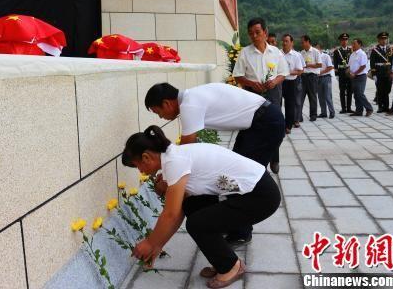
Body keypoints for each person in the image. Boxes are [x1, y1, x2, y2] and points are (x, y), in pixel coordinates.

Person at [124, 126, 281, 289]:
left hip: (260, 197)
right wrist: (157, 245)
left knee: (197, 224)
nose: (141, 171)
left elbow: (170, 214)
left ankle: (232, 267)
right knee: (192, 206)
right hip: (252, 191)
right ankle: (223, 259)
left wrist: (150, 243)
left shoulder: (174, 162)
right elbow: (178, 212)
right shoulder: (174, 155)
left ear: (146, 157)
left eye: (137, 166)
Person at [144, 82, 285, 244]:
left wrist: (169, 178)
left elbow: (186, 149)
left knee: (241, 180)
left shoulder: (189, 104)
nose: (161, 117)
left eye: (158, 112)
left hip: (265, 124)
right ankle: (231, 225)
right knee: (235, 178)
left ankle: (240, 232)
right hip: (258, 123)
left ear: (166, 103)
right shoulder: (191, 97)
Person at [232, 17, 289, 174]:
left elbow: (283, 72)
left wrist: (275, 81)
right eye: (251, 34)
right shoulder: (245, 52)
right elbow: (237, 75)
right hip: (253, 94)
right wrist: (251, 83)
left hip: (273, 92)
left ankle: (274, 158)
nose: (255, 36)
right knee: (255, 126)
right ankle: (258, 162)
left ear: (265, 32)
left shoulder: (276, 52)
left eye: (258, 32)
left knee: (275, 125)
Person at [281, 34, 304, 133]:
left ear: (291, 43)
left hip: (291, 82)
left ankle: (288, 126)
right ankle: (279, 124)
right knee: (277, 104)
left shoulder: (296, 55)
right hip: (279, 82)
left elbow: (300, 71)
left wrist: (288, 72)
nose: (284, 43)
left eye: (287, 41)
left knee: (290, 105)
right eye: (283, 41)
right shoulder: (278, 53)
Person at [348, 38, 374, 116]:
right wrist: (348, 72)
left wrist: (355, 73)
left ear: (359, 44)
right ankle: (359, 111)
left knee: (359, 93)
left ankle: (369, 108)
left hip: (360, 76)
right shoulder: (352, 54)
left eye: (354, 44)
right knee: (356, 94)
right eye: (352, 44)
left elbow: (363, 66)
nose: (352, 45)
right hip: (353, 76)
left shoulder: (362, 54)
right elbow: (349, 65)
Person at [299, 35, 322, 121]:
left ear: (308, 41)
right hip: (303, 76)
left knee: (312, 96)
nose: (302, 44)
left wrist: (309, 65)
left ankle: (313, 115)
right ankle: (299, 116)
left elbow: (320, 64)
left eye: (303, 42)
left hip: (312, 76)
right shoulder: (301, 53)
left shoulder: (315, 51)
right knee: (301, 96)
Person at [370, 32, 393, 113]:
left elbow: (392, 61)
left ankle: (386, 106)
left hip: (387, 72)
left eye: (385, 39)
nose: (384, 41)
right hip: (379, 72)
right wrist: (374, 74)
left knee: (387, 90)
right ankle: (381, 107)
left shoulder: (390, 49)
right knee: (380, 90)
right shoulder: (375, 50)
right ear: (378, 40)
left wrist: (392, 72)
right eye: (382, 39)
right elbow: (372, 63)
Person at [333, 33, 353, 113]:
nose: (344, 42)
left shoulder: (351, 50)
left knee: (350, 90)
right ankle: (343, 108)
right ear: (340, 41)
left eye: (345, 40)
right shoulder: (337, 51)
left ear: (347, 41)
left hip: (349, 72)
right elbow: (335, 64)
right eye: (342, 40)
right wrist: (336, 75)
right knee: (342, 91)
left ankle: (349, 107)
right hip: (341, 72)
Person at [318, 50, 335, 118]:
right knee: (320, 97)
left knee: (328, 96)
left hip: (326, 78)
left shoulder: (326, 56)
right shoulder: (315, 57)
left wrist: (321, 72)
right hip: (318, 79)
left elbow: (330, 67)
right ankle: (323, 112)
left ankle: (332, 112)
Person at [294, 49, 306, 127]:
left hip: (296, 79)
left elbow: (303, 68)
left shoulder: (297, 54)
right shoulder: (280, 53)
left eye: (287, 41)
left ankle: (297, 119)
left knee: (297, 101)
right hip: (283, 80)